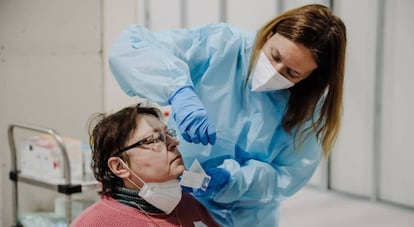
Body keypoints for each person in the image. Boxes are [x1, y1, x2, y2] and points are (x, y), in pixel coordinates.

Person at [108, 4, 347, 227]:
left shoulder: (312, 106)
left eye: (292, 73)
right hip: (181, 201)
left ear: (311, 77)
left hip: (251, 218)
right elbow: (132, 48)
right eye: (274, 56)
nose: (275, 72)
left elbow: (287, 175)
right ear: (270, 33)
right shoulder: (222, 46)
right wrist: (177, 90)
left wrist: (234, 181)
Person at [70, 103, 220, 227]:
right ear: (119, 167)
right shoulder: (94, 223)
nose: (174, 143)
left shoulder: (190, 205)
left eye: (169, 135)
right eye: (154, 139)